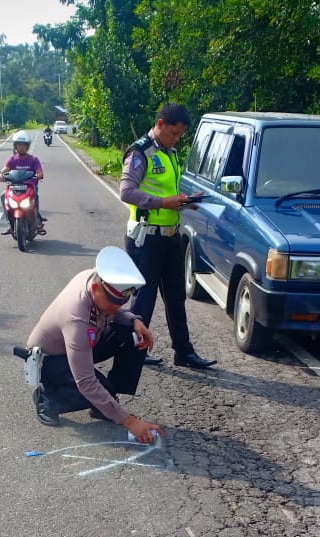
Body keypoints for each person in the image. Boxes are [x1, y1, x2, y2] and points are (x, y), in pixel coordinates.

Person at [25, 246, 164, 444]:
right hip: (49, 360)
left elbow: (115, 311)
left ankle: (107, 400)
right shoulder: (76, 318)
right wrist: (130, 421)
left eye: (122, 301)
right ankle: (47, 398)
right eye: (114, 301)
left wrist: (134, 320)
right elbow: (86, 382)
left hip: (79, 345)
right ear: (95, 289)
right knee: (94, 389)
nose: (118, 307)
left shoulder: (96, 278)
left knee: (132, 333)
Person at [120, 103, 216, 369]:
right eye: (174, 133)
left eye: (180, 135)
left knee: (176, 297)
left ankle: (183, 352)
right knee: (144, 298)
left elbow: (168, 190)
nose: (176, 139)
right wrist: (164, 202)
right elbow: (127, 192)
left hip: (171, 236)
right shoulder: (140, 153)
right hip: (146, 238)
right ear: (160, 124)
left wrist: (184, 202)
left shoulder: (169, 152)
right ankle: (134, 349)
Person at [0, 131, 45, 235]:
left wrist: (38, 175)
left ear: (27, 146)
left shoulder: (34, 160)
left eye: (24, 145)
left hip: (30, 187)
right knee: (2, 195)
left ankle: (37, 221)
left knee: (35, 195)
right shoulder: (12, 159)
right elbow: (6, 168)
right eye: (19, 144)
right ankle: (9, 223)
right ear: (15, 146)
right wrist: (1, 174)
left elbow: (39, 172)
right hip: (14, 187)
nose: (21, 147)